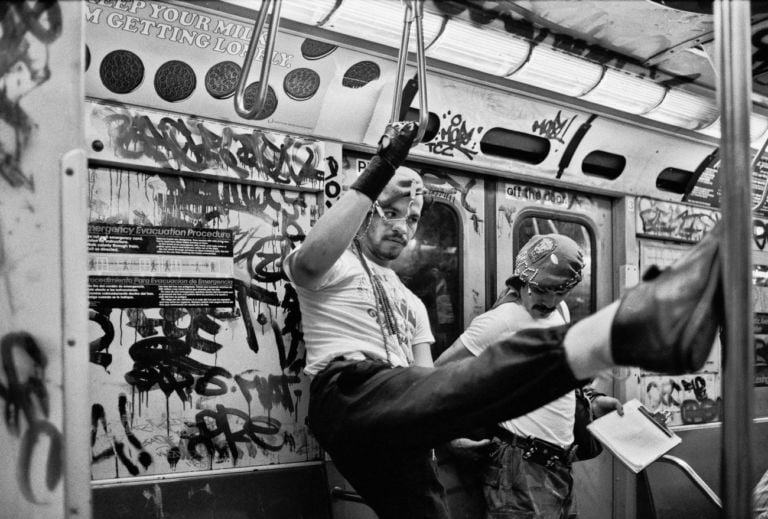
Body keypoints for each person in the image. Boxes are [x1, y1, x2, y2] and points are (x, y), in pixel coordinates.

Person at [279, 121, 723, 519]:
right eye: (389, 212)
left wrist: (449, 438)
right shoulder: (337, 266)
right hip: (349, 392)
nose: (402, 226)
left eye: (412, 219)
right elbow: (312, 258)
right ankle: (615, 333)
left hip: (394, 420)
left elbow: (431, 387)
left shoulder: (411, 304)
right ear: (368, 209)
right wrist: (383, 165)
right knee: (471, 374)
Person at [435, 233, 622, 518]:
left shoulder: (560, 310)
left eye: (561, 291)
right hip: (519, 468)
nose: (550, 300)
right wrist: (448, 436)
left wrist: (591, 401)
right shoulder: (499, 322)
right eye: (543, 288)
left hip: (559, 467)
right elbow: (435, 376)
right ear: (524, 278)